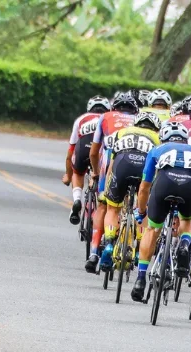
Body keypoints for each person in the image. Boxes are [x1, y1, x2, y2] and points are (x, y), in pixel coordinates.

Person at [131, 122, 191, 302]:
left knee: (152, 229)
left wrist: (142, 212)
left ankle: (141, 279)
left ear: (163, 138)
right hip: (190, 186)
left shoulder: (157, 150)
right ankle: (183, 244)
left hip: (165, 184)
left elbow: (144, 188)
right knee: (187, 221)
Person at [94, 111, 161, 273]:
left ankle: (109, 243)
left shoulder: (121, 133)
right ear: (156, 127)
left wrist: (108, 187)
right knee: (143, 209)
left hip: (122, 164)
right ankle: (138, 247)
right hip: (143, 167)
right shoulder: (158, 138)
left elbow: (111, 163)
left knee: (113, 208)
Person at [85, 91, 139, 273]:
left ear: (114, 107)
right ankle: (132, 245)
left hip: (110, 160)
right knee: (136, 205)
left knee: (104, 205)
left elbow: (94, 152)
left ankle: (94, 253)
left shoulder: (105, 117)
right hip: (137, 161)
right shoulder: (139, 121)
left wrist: (94, 172)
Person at [64, 95, 109, 225]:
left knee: (78, 173)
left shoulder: (81, 119)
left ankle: (77, 199)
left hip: (83, 148)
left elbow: (70, 151)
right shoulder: (108, 118)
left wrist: (68, 175)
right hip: (100, 151)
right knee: (106, 174)